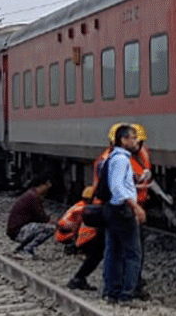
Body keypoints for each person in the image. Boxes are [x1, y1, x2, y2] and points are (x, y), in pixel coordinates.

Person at [100, 124, 146, 305]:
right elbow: (117, 187)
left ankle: (111, 291)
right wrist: (135, 206)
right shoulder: (120, 159)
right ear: (124, 140)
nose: (136, 142)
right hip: (121, 211)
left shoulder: (114, 158)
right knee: (133, 253)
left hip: (113, 210)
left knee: (113, 251)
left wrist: (135, 180)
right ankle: (127, 294)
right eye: (133, 138)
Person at [60, 186, 102, 291]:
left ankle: (78, 278)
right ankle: (78, 278)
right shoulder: (86, 208)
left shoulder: (82, 206)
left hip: (79, 237)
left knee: (96, 255)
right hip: (77, 236)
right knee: (97, 254)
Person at [9, 172, 56, 257]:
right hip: (19, 231)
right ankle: (27, 249)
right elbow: (41, 217)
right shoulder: (33, 197)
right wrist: (55, 223)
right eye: (47, 186)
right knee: (51, 228)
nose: (48, 190)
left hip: (15, 230)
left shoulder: (31, 194)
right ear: (43, 184)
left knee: (41, 227)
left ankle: (21, 248)